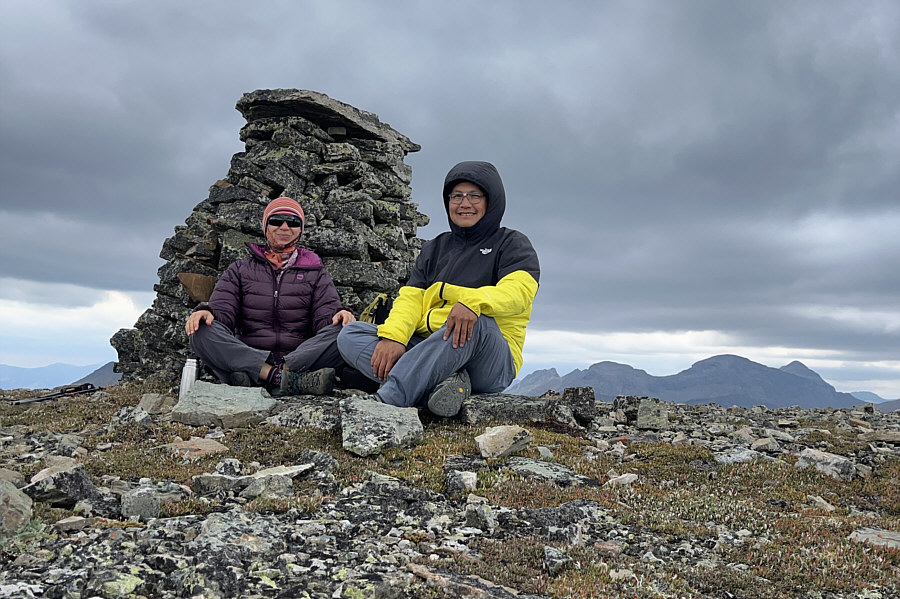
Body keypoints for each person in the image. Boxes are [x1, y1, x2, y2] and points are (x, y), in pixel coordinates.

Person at [337, 161, 540, 416]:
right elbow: (410, 299)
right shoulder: (435, 248)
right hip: (431, 346)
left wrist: (473, 304)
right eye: (457, 196)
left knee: (473, 323)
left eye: (475, 196)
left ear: (492, 201)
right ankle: (444, 384)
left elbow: (519, 292)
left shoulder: (512, 244)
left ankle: (390, 400)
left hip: (490, 358)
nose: (465, 204)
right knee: (351, 334)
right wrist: (395, 337)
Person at [185, 196, 354, 395]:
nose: (284, 227)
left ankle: (260, 376)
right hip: (249, 352)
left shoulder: (315, 272)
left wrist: (341, 314)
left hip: (299, 357)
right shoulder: (240, 269)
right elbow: (223, 309)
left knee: (347, 331)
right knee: (200, 329)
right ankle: (279, 378)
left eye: (292, 222)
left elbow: (326, 318)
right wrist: (207, 312)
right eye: (276, 221)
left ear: (300, 230)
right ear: (266, 227)